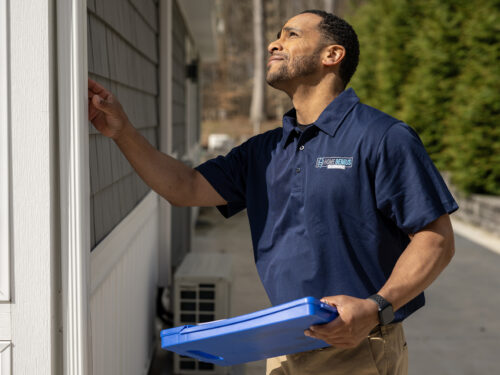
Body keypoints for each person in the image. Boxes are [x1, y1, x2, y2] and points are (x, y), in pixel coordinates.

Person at [88, 9, 457, 375]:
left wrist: (376, 307)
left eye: (291, 35)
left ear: (332, 55)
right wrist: (123, 133)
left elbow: (435, 239)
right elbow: (184, 188)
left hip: (356, 347)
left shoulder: (382, 137)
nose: (273, 44)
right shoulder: (264, 151)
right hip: (283, 346)